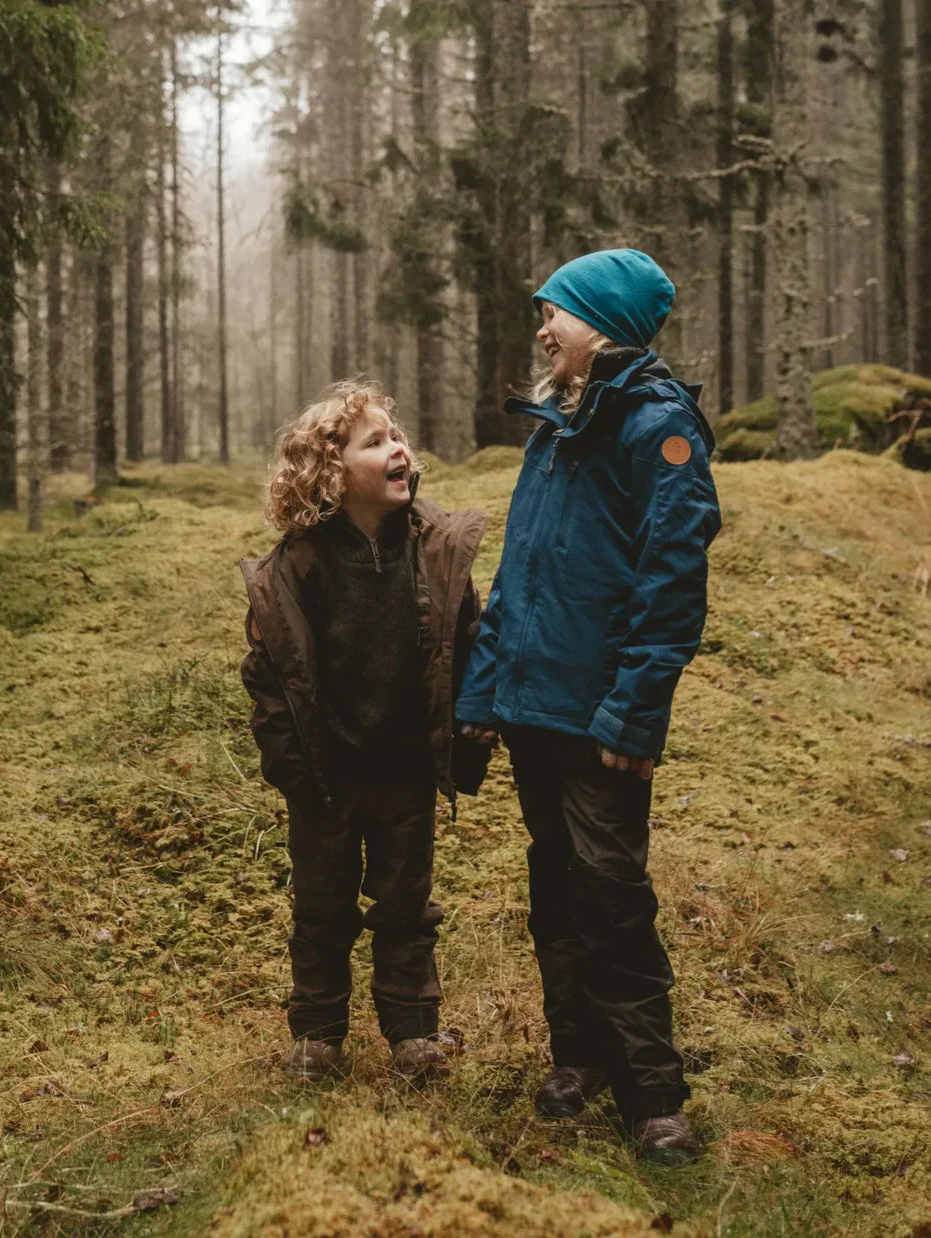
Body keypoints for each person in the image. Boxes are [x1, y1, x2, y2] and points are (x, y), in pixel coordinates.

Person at [456, 249, 721, 1163]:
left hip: (601, 724)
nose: (542, 329)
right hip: (533, 712)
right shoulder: (554, 429)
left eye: (555, 313)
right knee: (556, 890)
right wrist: (484, 692)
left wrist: (636, 716)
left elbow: (674, 583)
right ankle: (579, 1057)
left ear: (601, 322)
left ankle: (654, 1093)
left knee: (610, 896)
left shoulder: (659, 429)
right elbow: (518, 576)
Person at [240, 379, 487, 1082]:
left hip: (406, 764)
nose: (398, 449)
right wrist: (289, 762)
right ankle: (318, 1034)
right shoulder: (300, 566)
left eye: (398, 437)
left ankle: (413, 1033)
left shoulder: (434, 552)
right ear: (331, 474)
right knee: (322, 907)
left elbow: (467, 639)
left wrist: (470, 726)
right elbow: (269, 673)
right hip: (327, 774)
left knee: (407, 905)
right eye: (375, 442)